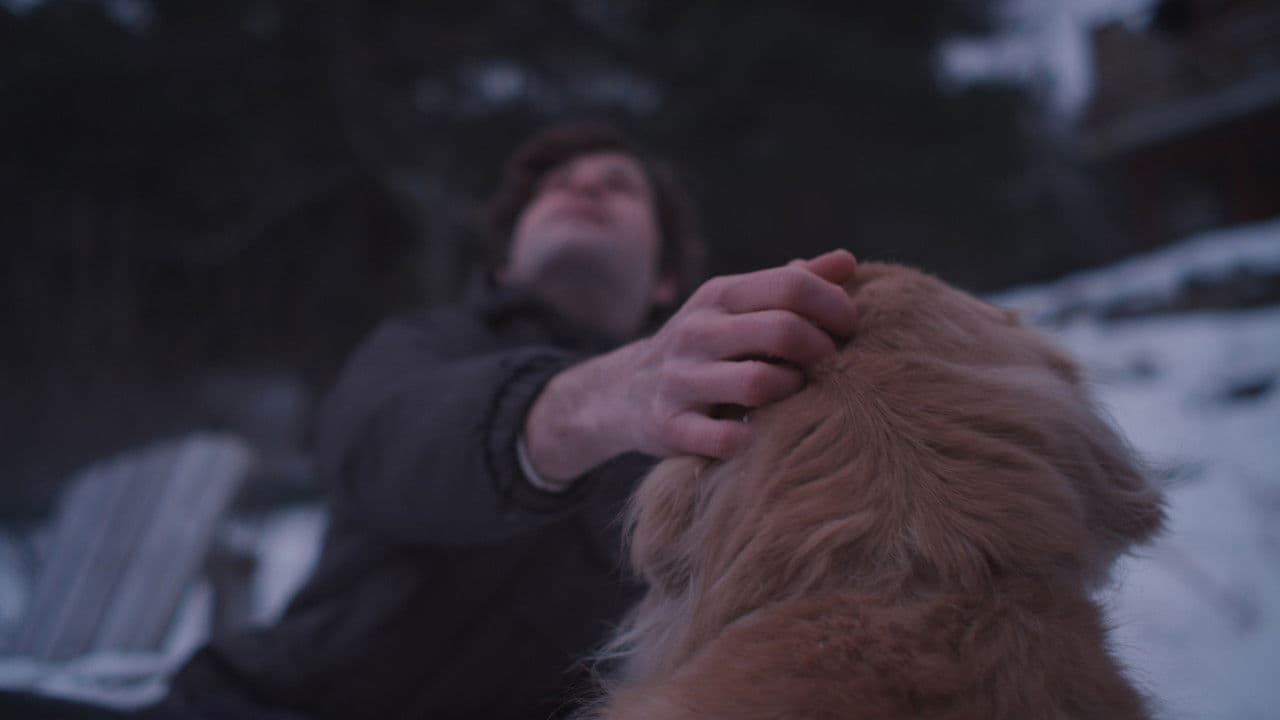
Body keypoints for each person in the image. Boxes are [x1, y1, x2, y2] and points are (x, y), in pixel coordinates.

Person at [2, 120, 857, 720]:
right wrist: (609, 397)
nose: (584, 187)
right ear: (510, 252)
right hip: (271, 706)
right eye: (557, 186)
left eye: (616, 185)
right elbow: (385, 445)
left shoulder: (727, 413)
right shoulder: (429, 343)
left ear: (667, 277)